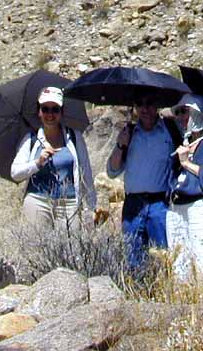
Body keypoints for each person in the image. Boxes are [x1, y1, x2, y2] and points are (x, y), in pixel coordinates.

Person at [107, 95, 177, 270]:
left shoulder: (170, 131)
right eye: (139, 104)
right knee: (132, 260)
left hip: (160, 204)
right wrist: (120, 145)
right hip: (133, 205)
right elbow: (112, 171)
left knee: (163, 257)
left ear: (157, 105)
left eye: (149, 103)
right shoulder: (129, 133)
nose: (144, 109)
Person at [11, 86, 96, 228]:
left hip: (69, 203)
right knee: (36, 242)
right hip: (37, 201)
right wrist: (37, 163)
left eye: (55, 109)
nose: (50, 115)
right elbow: (15, 173)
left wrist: (91, 207)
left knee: (71, 242)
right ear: (39, 112)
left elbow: (86, 172)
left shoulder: (74, 137)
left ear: (61, 112)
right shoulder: (31, 139)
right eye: (45, 109)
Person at [165, 93, 203, 282]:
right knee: (179, 271)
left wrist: (187, 163)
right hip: (176, 209)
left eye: (185, 111)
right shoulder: (181, 145)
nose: (181, 117)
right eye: (177, 112)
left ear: (197, 114)